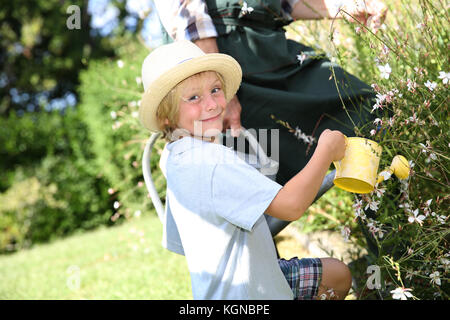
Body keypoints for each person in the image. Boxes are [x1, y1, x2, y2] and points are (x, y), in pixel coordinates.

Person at [138, 40, 352, 300]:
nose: (212, 105)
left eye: (215, 90)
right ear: (165, 116)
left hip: (224, 291)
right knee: (338, 279)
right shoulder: (213, 161)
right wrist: (325, 151)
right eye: (194, 97)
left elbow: (180, 242)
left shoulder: (174, 158)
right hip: (254, 294)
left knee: (335, 274)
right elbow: (291, 205)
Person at [152, 0, 388, 186]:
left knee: (370, 113)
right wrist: (219, 92)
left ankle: (390, 241)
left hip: (273, 51)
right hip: (219, 64)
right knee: (246, 182)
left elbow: (286, 3)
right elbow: (190, 17)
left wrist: (349, 5)